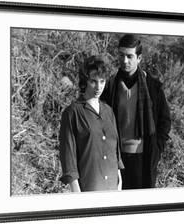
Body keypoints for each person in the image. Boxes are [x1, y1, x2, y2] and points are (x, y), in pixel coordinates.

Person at [101, 34, 171, 189]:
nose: (124, 60)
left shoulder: (152, 87)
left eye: (129, 56)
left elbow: (164, 121)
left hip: (144, 157)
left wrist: (157, 148)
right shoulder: (109, 86)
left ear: (139, 58)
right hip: (116, 157)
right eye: (121, 55)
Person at [59, 55, 124, 192]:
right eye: (93, 81)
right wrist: (77, 193)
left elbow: (115, 151)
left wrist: (119, 180)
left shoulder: (109, 111)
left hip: (113, 186)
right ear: (85, 81)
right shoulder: (72, 113)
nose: (98, 87)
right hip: (89, 186)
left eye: (102, 81)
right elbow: (68, 159)